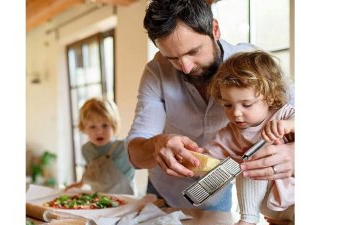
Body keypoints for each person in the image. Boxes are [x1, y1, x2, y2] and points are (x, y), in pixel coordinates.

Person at [125, 0, 294, 210]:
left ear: (215, 29)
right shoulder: (156, 72)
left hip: (217, 192)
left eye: (193, 52)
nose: (185, 67)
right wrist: (156, 144)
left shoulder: (254, 66)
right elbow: (135, 155)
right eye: (173, 58)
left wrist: (295, 152)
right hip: (163, 190)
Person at [203, 50, 294, 225]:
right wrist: (192, 157)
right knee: (247, 161)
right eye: (228, 105)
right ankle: (248, 220)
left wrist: (289, 125)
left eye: (246, 105)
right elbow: (207, 157)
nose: (236, 113)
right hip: (263, 206)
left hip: (293, 200)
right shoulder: (229, 134)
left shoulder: (283, 114)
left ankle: (285, 222)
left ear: (269, 97)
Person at [66, 98, 136, 195]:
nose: (99, 132)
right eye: (92, 127)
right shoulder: (86, 150)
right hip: (99, 203)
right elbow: (92, 170)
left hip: (125, 202)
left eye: (104, 125)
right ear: (84, 128)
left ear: (114, 125)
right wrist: (80, 184)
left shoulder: (124, 147)